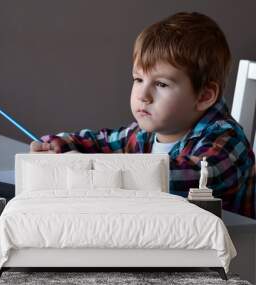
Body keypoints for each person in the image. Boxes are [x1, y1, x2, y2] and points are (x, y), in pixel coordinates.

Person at [30, 12, 256, 219]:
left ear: (204, 96)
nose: (143, 95)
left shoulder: (226, 138)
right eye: (138, 79)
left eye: (161, 84)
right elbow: (99, 140)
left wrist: (99, 170)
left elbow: (197, 179)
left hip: (230, 252)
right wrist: (58, 145)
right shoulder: (144, 134)